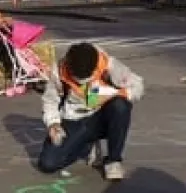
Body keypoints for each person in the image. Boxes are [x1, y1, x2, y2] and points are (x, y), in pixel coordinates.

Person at [36, 41, 143, 181]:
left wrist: (110, 93)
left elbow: (137, 86)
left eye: (86, 78)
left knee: (120, 106)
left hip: (102, 116)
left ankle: (113, 160)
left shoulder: (109, 65)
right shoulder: (59, 71)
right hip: (74, 118)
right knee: (48, 164)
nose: (81, 83)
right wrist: (53, 123)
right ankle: (86, 145)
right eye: (77, 79)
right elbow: (50, 101)